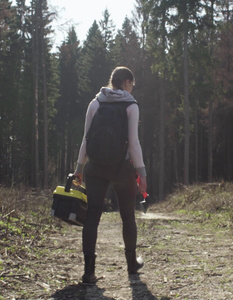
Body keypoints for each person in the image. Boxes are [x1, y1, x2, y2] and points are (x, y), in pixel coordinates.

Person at [74, 66, 147, 284]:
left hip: (95, 168)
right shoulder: (131, 105)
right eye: (132, 84)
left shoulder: (95, 102)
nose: (132, 88)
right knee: (127, 215)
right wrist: (142, 173)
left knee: (92, 217)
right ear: (126, 82)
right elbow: (133, 144)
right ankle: (132, 265)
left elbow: (85, 140)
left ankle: (89, 272)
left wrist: (79, 168)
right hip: (121, 168)